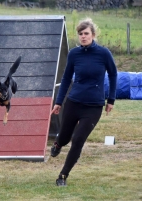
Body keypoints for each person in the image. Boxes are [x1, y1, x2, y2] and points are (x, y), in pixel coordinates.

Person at [50, 17, 117, 186]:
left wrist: (111, 100)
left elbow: (114, 75)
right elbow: (66, 78)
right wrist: (58, 102)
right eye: (80, 34)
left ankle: (63, 176)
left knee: (78, 139)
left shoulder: (104, 54)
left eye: (86, 33)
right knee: (65, 138)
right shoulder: (74, 54)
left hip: (94, 106)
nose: (83, 36)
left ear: (93, 35)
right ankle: (58, 144)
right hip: (74, 102)